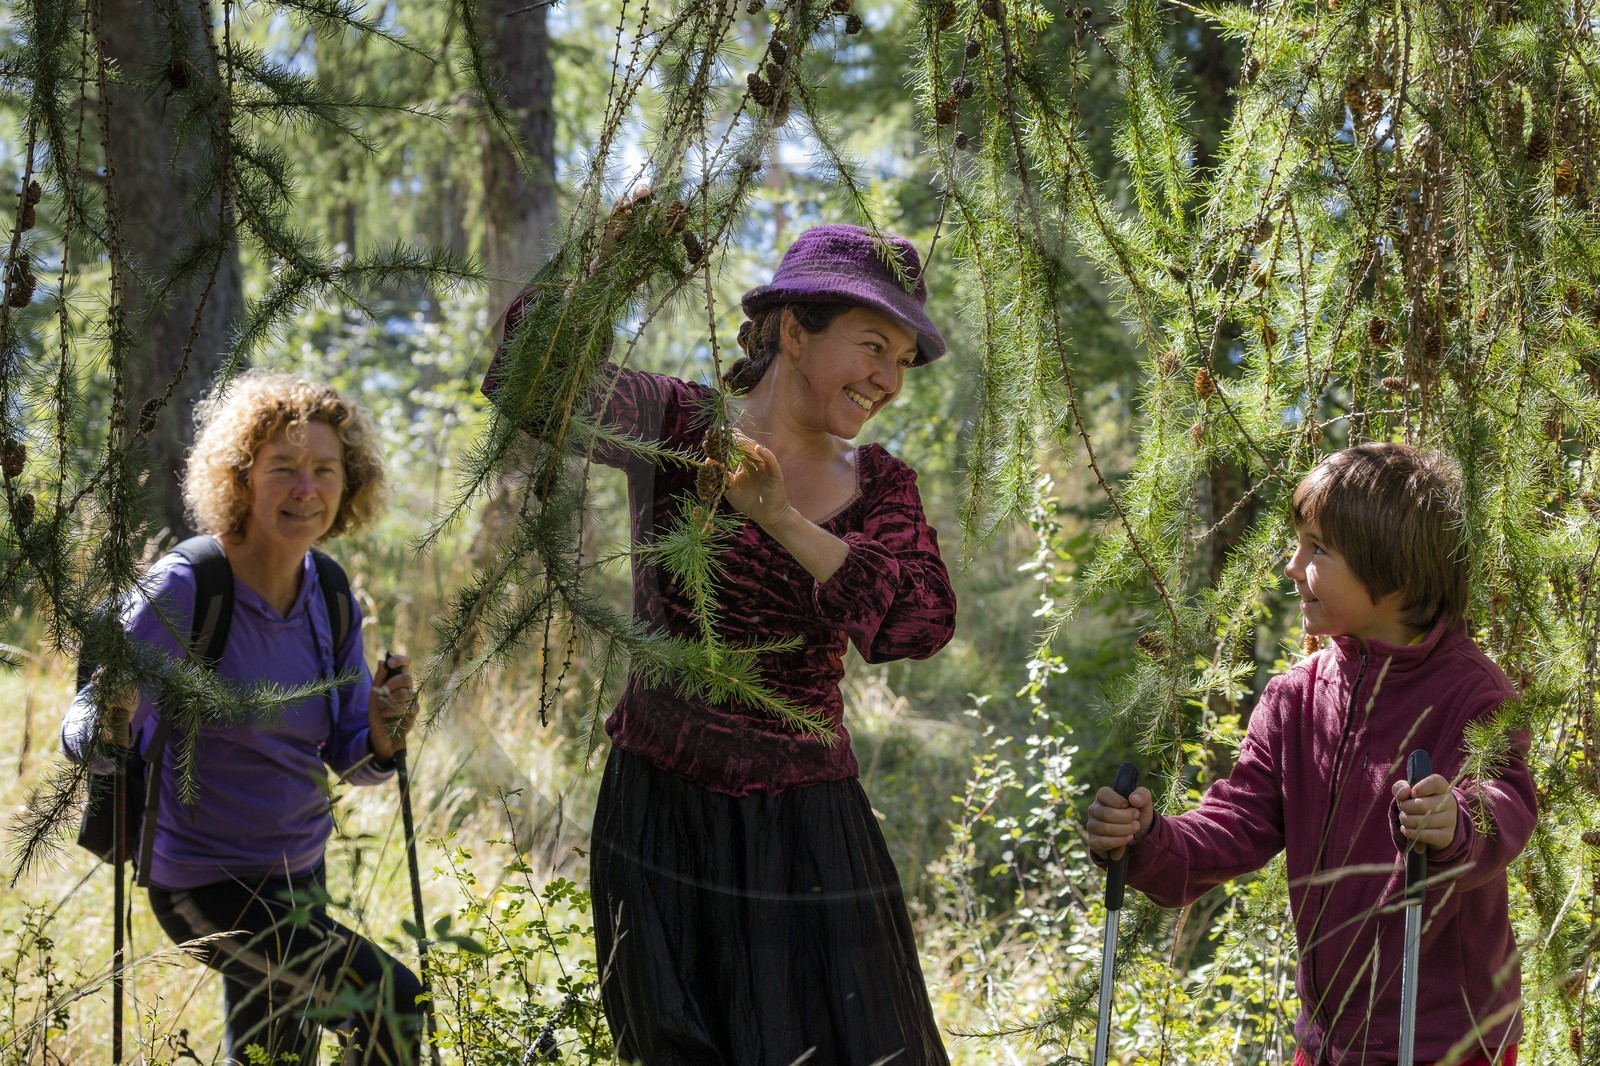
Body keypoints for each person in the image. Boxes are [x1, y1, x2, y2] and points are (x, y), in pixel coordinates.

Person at [483, 220, 958, 1064]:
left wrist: (779, 519)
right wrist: (608, 255)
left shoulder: (881, 485)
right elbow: (527, 376)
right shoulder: (679, 424)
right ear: (793, 330)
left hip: (812, 832)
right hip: (657, 819)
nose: (888, 379)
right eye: (873, 346)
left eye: (902, 362)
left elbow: (918, 622)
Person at [1084, 443, 1536, 1066]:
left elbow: (1505, 806)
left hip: (1444, 1042)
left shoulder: (1472, 691)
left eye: (1317, 549)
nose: (1293, 567)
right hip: (1327, 1042)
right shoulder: (1296, 697)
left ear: (1396, 569)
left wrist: (1456, 822)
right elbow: (1235, 824)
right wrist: (1145, 839)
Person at [62, 370, 423, 1066]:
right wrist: (108, 720)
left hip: (299, 878)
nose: (305, 490)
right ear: (240, 478)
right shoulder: (188, 585)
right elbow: (89, 720)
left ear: (348, 485)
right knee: (392, 1006)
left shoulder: (333, 595)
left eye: (324, 470)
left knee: (272, 1059)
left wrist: (381, 732)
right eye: (283, 469)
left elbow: (351, 754)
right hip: (204, 884)